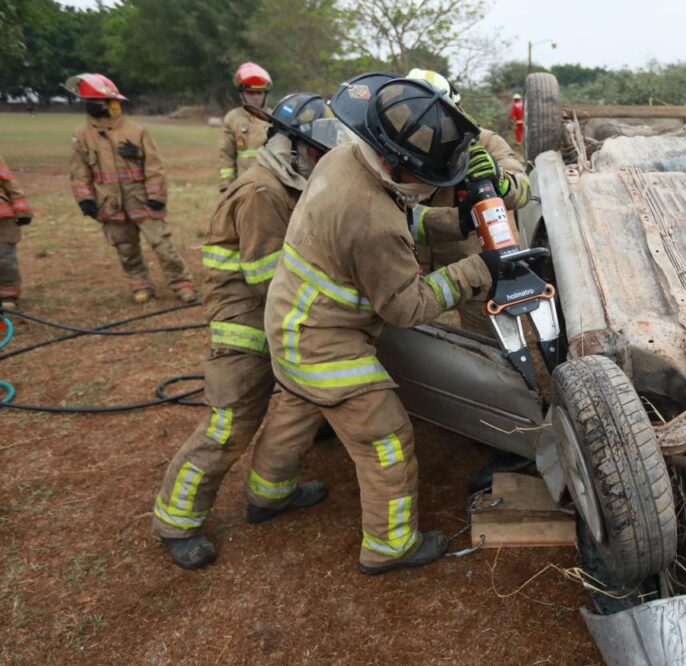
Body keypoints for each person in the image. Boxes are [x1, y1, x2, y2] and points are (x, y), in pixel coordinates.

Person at [247, 75, 498, 575]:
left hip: (289, 322)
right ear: (398, 163)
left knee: (298, 407)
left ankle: (267, 495)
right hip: (325, 343)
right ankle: (390, 545)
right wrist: (478, 269)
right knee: (386, 438)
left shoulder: (345, 159)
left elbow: (397, 216)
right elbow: (405, 306)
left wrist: (458, 223)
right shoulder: (370, 219)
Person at [153, 94, 343, 570]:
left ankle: (273, 495)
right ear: (294, 146)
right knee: (228, 425)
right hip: (244, 327)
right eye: (319, 152)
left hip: (272, 317)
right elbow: (268, 278)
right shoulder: (262, 193)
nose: (323, 162)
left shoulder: (286, 183)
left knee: (298, 406)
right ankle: (177, 523)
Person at [405, 69, 531, 337]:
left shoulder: (484, 142)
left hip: (478, 265)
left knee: (493, 347)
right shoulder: (400, 144)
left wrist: (500, 180)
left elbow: (523, 190)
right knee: (412, 344)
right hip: (414, 265)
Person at [66, 73, 196, 304]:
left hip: (142, 200)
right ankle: (140, 285)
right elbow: (80, 172)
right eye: (90, 102)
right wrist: (85, 199)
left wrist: (156, 195)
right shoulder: (82, 136)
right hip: (111, 204)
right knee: (126, 249)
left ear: (111, 103)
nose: (93, 107)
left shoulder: (136, 131)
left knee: (163, 245)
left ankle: (182, 284)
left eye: (98, 102)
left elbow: (154, 165)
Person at [219, 63, 273, 192]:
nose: (255, 98)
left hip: (271, 186)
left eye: (259, 93)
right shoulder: (232, 119)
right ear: (241, 94)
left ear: (265, 94)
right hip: (242, 186)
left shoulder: (275, 118)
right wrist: (227, 185)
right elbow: (226, 154)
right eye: (250, 93)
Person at [0, 151, 32, 309]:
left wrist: (22, 210)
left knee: (4, 259)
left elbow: (9, 182)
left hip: (2, 220)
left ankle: (7, 297)